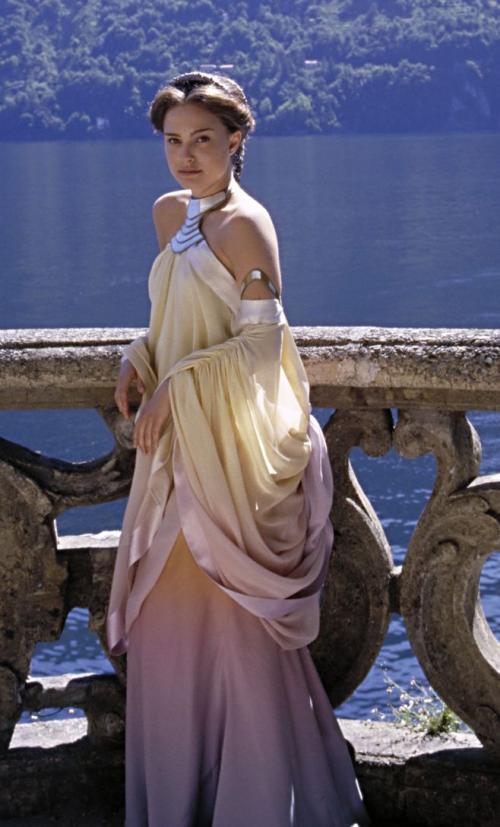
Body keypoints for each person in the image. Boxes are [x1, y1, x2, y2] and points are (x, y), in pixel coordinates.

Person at [105, 71, 372, 827]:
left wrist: (181, 384)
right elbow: (175, 316)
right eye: (173, 141)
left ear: (237, 140)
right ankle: (180, 803)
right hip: (176, 451)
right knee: (167, 624)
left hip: (226, 457)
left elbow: (262, 347)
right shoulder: (170, 214)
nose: (186, 156)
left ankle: (256, 806)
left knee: (232, 623)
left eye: (203, 139)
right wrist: (139, 355)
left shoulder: (249, 224)